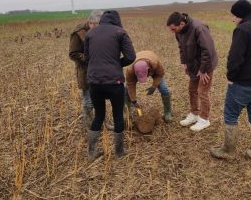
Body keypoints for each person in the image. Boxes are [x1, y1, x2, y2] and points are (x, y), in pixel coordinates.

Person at [210, 0, 251, 164]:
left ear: (239, 15)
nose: (232, 19)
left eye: (233, 15)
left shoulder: (242, 30)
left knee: (231, 115)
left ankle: (228, 151)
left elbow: (234, 58)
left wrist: (231, 77)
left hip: (242, 84)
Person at [84, 10, 136, 161]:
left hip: (94, 82)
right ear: (116, 20)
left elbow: (87, 58)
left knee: (99, 115)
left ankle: (91, 153)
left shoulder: (90, 33)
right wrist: (117, 63)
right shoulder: (120, 32)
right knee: (118, 116)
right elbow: (131, 56)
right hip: (114, 83)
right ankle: (119, 152)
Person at [167, 12, 218, 132]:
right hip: (193, 65)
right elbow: (181, 47)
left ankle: (204, 119)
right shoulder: (179, 32)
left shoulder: (198, 27)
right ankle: (194, 114)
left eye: (174, 29)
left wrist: (204, 70)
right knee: (192, 89)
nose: (173, 32)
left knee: (202, 91)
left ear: (182, 23)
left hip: (206, 64)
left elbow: (208, 50)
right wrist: (185, 62)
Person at [69, 10, 102, 129]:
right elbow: (73, 54)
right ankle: (89, 125)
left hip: (99, 71)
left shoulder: (99, 29)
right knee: (88, 99)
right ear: (91, 22)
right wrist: (89, 58)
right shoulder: (78, 33)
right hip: (85, 71)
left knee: (99, 98)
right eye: (97, 25)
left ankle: (99, 121)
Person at [125, 50, 173, 123]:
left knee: (164, 88)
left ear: (148, 70)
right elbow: (130, 85)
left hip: (154, 69)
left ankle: (168, 112)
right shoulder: (130, 70)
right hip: (138, 63)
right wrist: (134, 100)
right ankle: (128, 113)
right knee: (126, 89)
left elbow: (160, 74)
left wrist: (154, 86)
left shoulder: (155, 63)